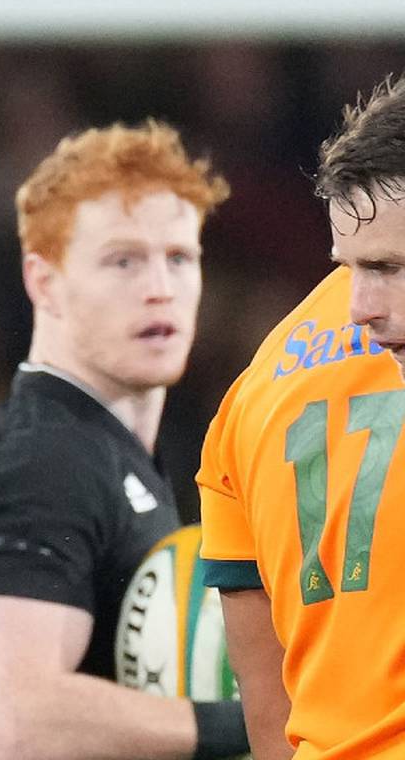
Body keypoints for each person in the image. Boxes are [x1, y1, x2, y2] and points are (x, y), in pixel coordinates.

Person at [0, 121, 248, 760]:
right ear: (43, 282)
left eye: (179, 257)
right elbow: (18, 723)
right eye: (123, 259)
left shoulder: (102, 450)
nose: (160, 285)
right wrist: (258, 727)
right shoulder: (42, 462)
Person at [197, 78, 405, 760]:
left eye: (387, 268)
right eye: (350, 270)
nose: (361, 307)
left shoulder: (254, 391)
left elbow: (271, 716)